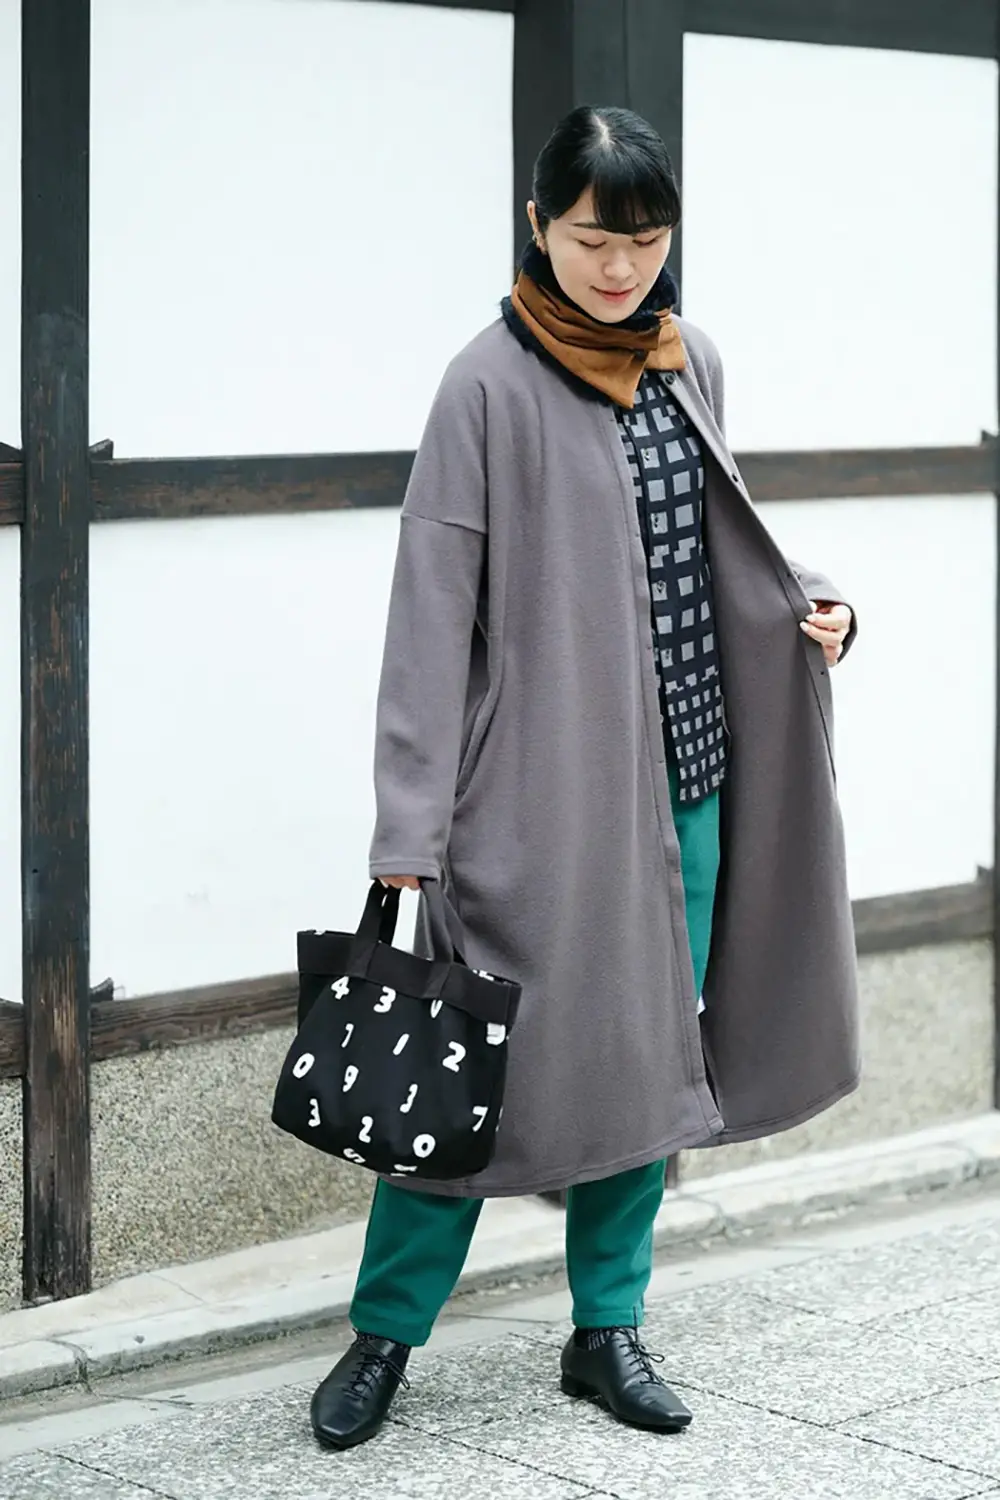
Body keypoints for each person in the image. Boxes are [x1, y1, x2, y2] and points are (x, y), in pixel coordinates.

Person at [309, 105, 859, 1451]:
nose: (621, 268)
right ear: (538, 226)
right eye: (593, 238)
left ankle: (607, 1327)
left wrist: (818, 600)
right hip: (536, 805)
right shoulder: (483, 387)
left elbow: (710, 544)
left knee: (647, 1067)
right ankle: (384, 1337)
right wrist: (408, 829)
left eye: (646, 239)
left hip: (692, 780)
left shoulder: (687, 357)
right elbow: (429, 614)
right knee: (458, 1069)